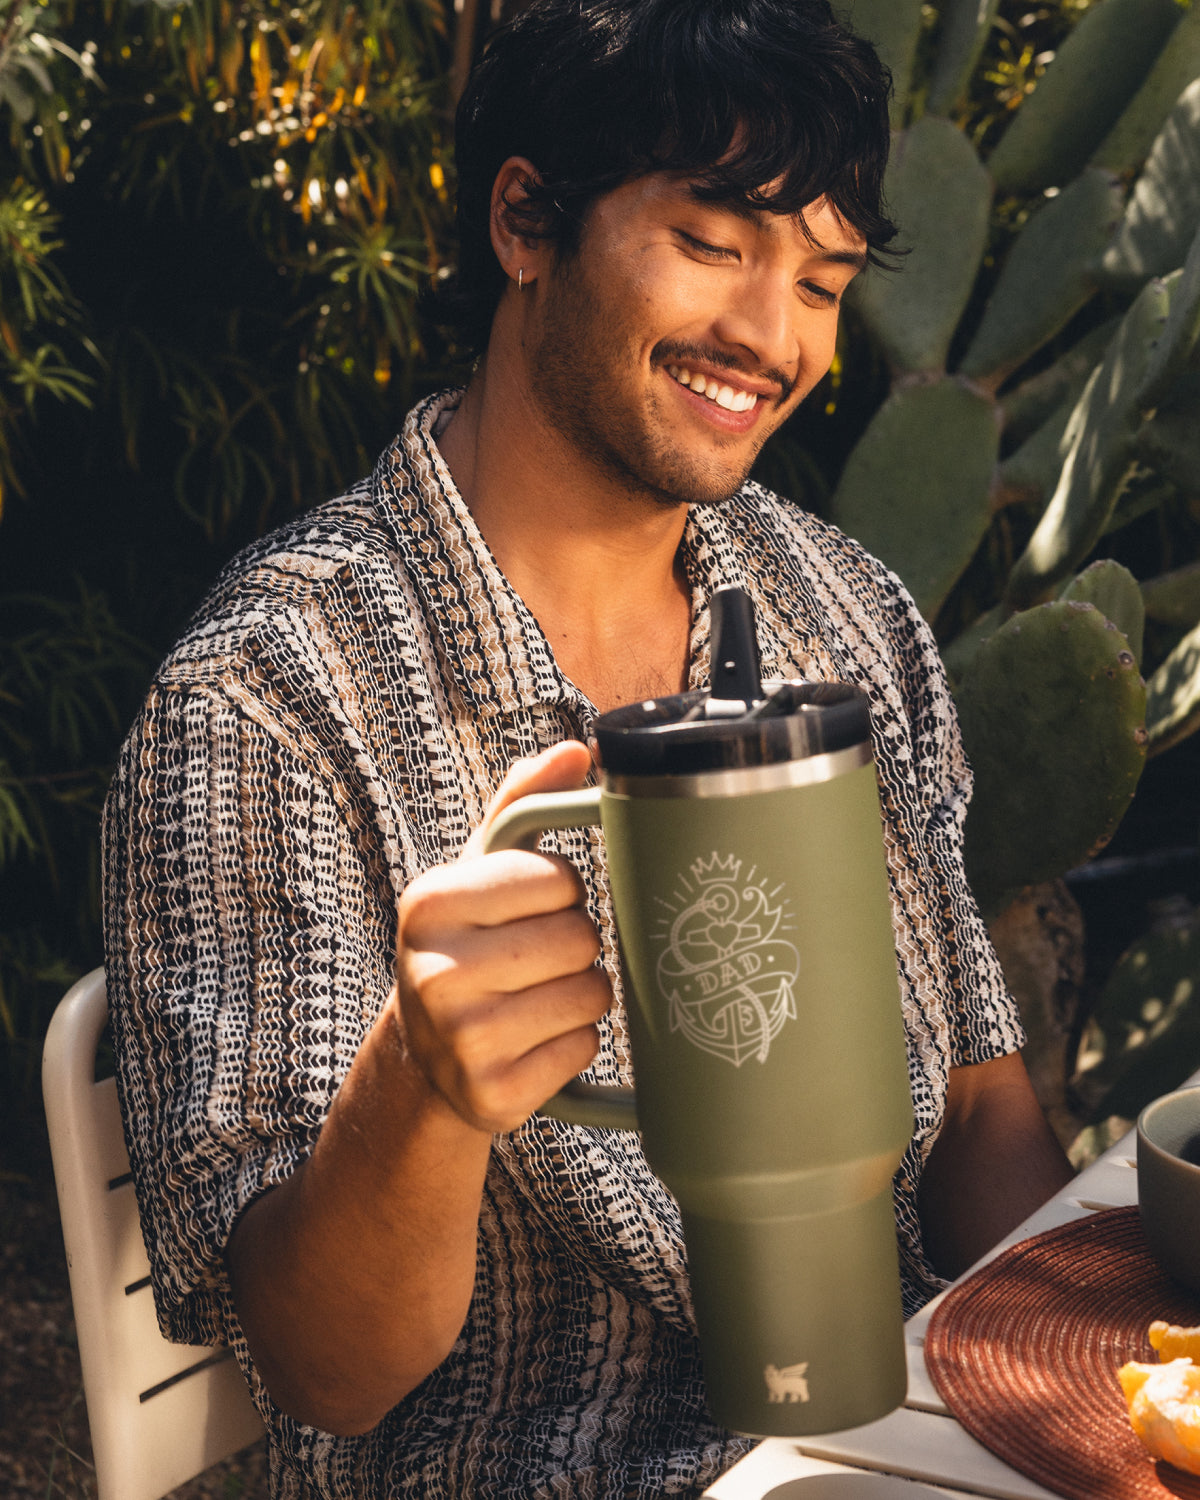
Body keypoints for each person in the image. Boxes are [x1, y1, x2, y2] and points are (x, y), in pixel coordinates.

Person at [102, 2, 1073, 1496]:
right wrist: (419, 1091)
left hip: (899, 1451)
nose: (772, 338)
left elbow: (982, 1102)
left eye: (818, 283)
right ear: (524, 222)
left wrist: (1089, 1376)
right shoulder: (266, 698)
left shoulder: (844, 604)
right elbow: (325, 1368)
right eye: (710, 244)